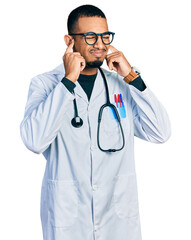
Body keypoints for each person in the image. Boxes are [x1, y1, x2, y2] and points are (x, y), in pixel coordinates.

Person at [20, 4, 171, 240]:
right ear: (69, 40)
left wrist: (132, 77)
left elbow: (160, 132)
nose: (100, 44)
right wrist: (68, 81)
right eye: (90, 37)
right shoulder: (45, 85)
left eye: (104, 36)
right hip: (69, 219)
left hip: (118, 220)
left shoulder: (121, 84)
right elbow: (34, 141)